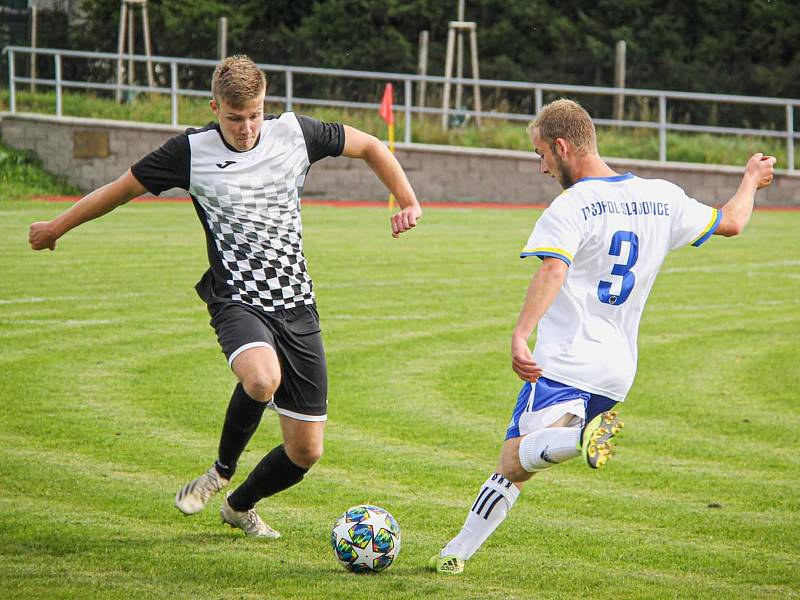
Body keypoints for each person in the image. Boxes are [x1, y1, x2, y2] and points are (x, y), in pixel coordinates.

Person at [29, 55, 422, 538]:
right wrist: (56, 227)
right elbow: (120, 189)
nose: (246, 127)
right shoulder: (189, 152)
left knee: (306, 452)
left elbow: (371, 146)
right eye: (235, 117)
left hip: (296, 303)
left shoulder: (295, 133)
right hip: (236, 296)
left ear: (265, 105)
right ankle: (219, 472)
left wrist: (408, 200)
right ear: (215, 107)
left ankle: (238, 506)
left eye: (254, 114)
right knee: (261, 380)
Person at [429, 98, 775, 574]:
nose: (542, 167)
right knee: (517, 466)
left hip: (565, 362)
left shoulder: (570, 206)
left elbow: (553, 269)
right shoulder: (662, 196)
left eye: (541, 155)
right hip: (617, 371)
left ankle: (580, 441)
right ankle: (455, 554)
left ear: (562, 145)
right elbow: (731, 222)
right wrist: (750, 181)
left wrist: (520, 334)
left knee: (513, 459)